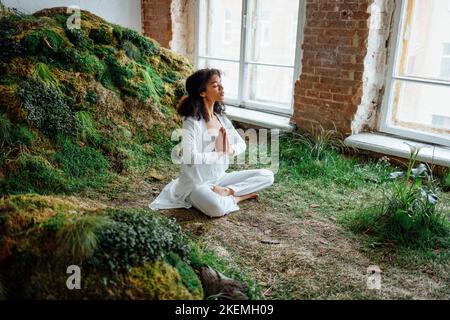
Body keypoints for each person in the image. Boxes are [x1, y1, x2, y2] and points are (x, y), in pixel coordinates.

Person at [149, 68, 274, 217]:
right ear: (202, 92)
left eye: (220, 84)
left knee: (267, 175)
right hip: (196, 183)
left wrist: (229, 150)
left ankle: (228, 192)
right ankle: (239, 196)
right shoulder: (191, 122)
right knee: (216, 208)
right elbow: (191, 157)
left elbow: (242, 144)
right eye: (215, 85)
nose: (221, 88)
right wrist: (219, 153)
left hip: (220, 178)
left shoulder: (221, 118)